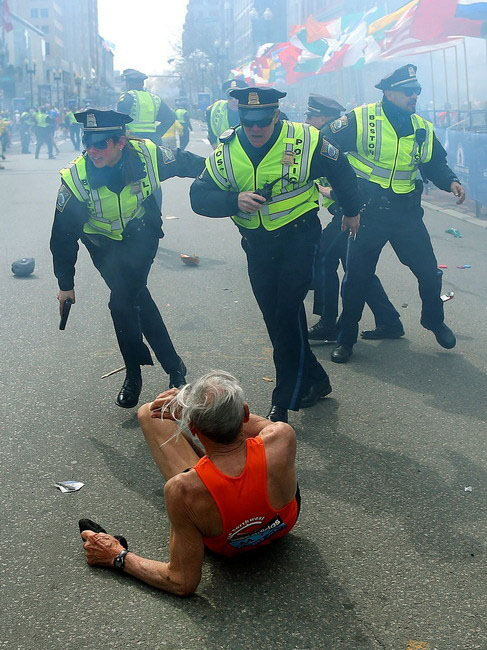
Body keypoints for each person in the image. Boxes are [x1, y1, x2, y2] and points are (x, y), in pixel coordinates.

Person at [190, 87, 362, 423]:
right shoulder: (226, 151)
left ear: (277, 115)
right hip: (257, 245)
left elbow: (341, 170)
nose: (255, 129)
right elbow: (198, 197)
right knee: (278, 319)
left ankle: (284, 400)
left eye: (262, 122)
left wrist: (351, 210)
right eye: (248, 122)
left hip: (300, 236)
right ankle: (316, 380)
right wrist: (232, 201)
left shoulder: (305, 139)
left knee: (286, 312)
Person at [80, 370, 299, 596]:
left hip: (230, 546)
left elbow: (181, 581)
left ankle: (212, 459)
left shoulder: (181, 490)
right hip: (282, 524)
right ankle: (217, 453)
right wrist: (200, 409)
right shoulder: (282, 436)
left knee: (150, 412)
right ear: (244, 413)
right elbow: (253, 424)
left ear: (192, 427)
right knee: (237, 450)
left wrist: (117, 556)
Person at [50, 109, 205, 408]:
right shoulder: (76, 178)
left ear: (121, 142)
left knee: (121, 302)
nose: (91, 151)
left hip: (140, 235)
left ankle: (134, 375)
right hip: (102, 244)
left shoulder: (149, 155)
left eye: (100, 144)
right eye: (87, 142)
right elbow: (62, 236)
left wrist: (223, 182)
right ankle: (175, 368)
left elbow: (191, 163)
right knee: (136, 299)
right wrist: (65, 284)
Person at [321, 64, 466, 364]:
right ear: (388, 92)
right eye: (407, 91)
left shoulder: (422, 127)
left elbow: (434, 162)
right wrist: (339, 192)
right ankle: (346, 339)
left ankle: (433, 321)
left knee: (429, 272)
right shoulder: (361, 118)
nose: (414, 95)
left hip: (406, 215)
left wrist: (451, 180)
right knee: (357, 279)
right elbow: (325, 147)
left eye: (417, 91)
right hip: (368, 213)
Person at [305, 94, 404, 344]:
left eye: (311, 116)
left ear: (325, 118)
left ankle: (328, 323)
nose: (308, 120)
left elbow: (353, 182)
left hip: (351, 213)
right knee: (357, 269)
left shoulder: (337, 144)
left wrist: (334, 194)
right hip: (348, 212)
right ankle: (389, 319)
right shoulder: (323, 141)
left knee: (324, 257)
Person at [117, 68, 175, 145]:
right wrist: (157, 134)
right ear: (142, 84)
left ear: (128, 83)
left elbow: (119, 119)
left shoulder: (128, 96)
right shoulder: (155, 99)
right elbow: (170, 118)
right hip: (153, 141)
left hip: (132, 141)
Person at [205, 78, 248, 149]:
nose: (234, 100)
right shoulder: (213, 110)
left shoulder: (251, 111)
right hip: (223, 152)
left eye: (237, 96)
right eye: (230, 96)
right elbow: (211, 134)